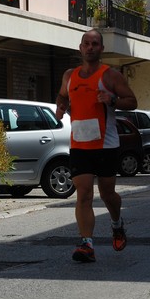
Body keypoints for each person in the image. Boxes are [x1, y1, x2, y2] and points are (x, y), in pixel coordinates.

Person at [56, 28, 138, 262]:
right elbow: (62, 95)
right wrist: (60, 106)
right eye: (86, 43)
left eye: (95, 44)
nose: (90, 47)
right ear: (80, 48)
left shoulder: (110, 76)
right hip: (80, 143)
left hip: (106, 144)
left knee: (108, 194)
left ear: (101, 49)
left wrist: (113, 99)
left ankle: (116, 223)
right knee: (83, 194)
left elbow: (132, 101)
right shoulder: (69, 75)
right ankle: (86, 244)